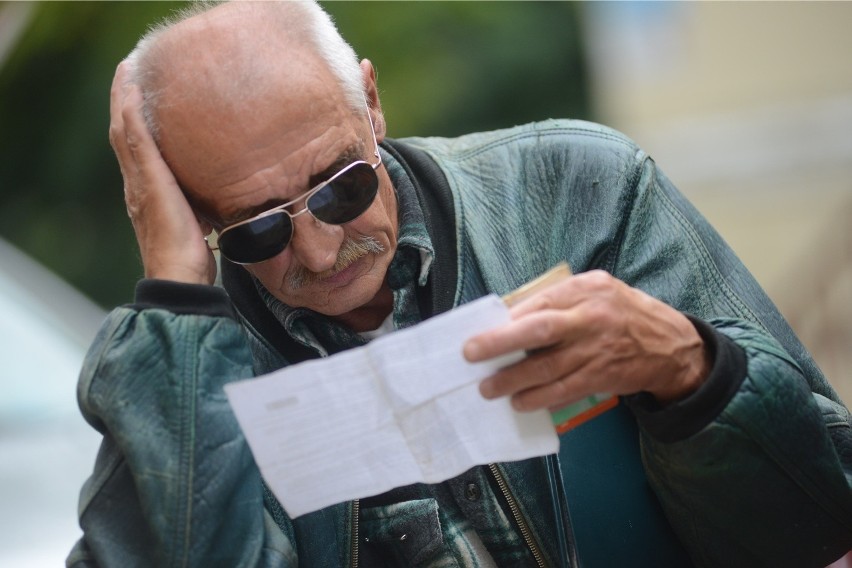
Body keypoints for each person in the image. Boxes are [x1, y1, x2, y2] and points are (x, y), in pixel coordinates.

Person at [69, 1, 852, 567]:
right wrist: (174, 293)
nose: (317, 248)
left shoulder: (576, 191)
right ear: (194, 211)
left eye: (340, 186)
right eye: (257, 229)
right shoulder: (190, 363)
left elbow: (817, 515)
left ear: (371, 104)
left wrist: (690, 370)